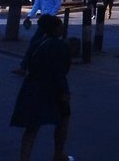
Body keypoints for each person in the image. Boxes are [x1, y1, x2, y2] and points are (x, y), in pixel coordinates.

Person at [10, 13, 73, 161]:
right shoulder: (60, 46)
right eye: (60, 25)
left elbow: (28, 63)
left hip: (33, 88)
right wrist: (64, 91)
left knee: (32, 127)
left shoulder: (37, 42)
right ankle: (58, 154)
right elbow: (61, 71)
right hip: (53, 89)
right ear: (56, 28)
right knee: (63, 119)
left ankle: (24, 158)